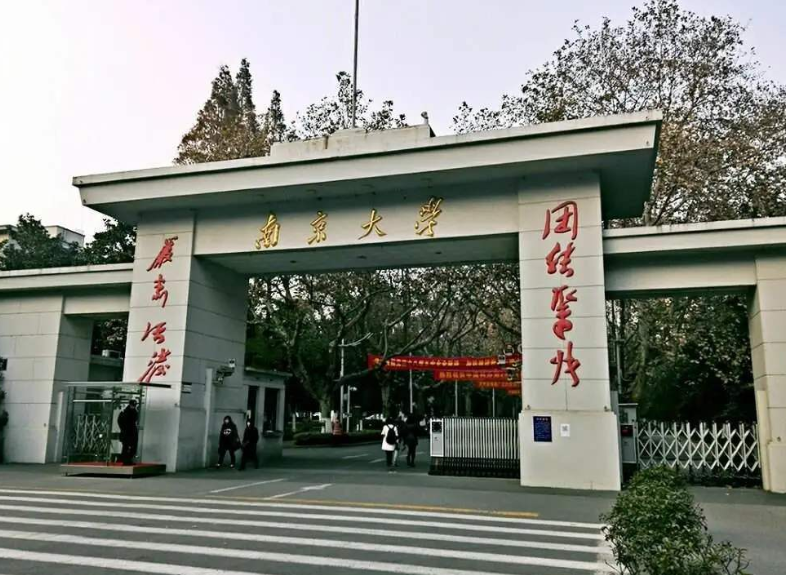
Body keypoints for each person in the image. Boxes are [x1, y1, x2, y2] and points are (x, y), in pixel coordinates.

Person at [117, 399, 139, 466]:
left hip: (130, 432)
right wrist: (124, 429)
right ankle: (125, 461)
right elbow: (120, 421)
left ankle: (126, 460)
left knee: (131, 447)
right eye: (133, 405)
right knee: (126, 447)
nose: (133, 406)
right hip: (127, 432)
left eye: (134, 405)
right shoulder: (126, 412)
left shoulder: (132, 411)